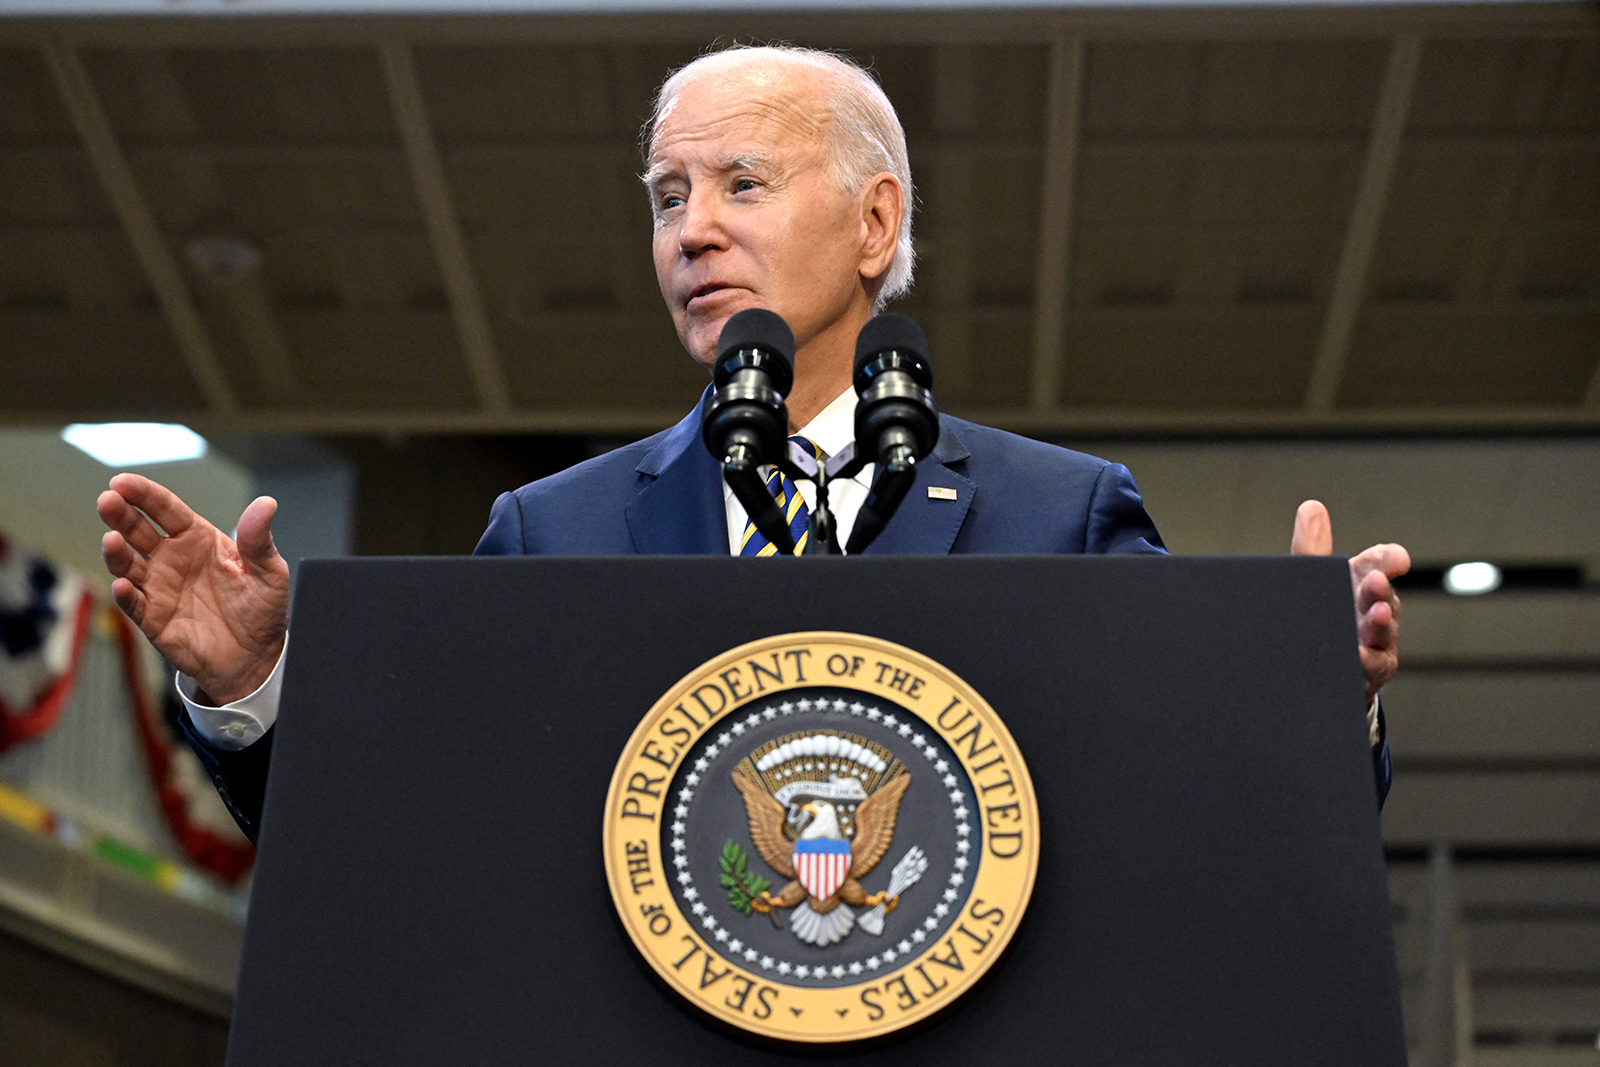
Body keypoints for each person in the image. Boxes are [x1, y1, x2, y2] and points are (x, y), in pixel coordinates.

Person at [96, 46, 1409, 842]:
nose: (692, 231)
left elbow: (1201, 824)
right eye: (669, 197)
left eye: (742, 185)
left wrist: (1313, 699)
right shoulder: (551, 533)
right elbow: (407, 843)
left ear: (876, 223)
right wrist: (259, 683)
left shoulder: (1060, 513)